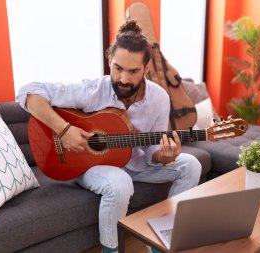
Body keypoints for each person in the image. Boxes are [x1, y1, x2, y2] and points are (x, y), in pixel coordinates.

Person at [17, 20, 202, 253]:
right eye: (117, 68)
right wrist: (63, 130)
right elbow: (28, 92)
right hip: (87, 165)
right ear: (109, 61)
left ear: (146, 69)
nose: (123, 78)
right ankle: (111, 250)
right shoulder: (93, 90)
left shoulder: (160, 99)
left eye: (133, 71)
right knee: (119, 182)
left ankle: (162, 241)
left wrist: (164, 156)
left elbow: (154, 151)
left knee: (191, 164)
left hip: (134, 164)